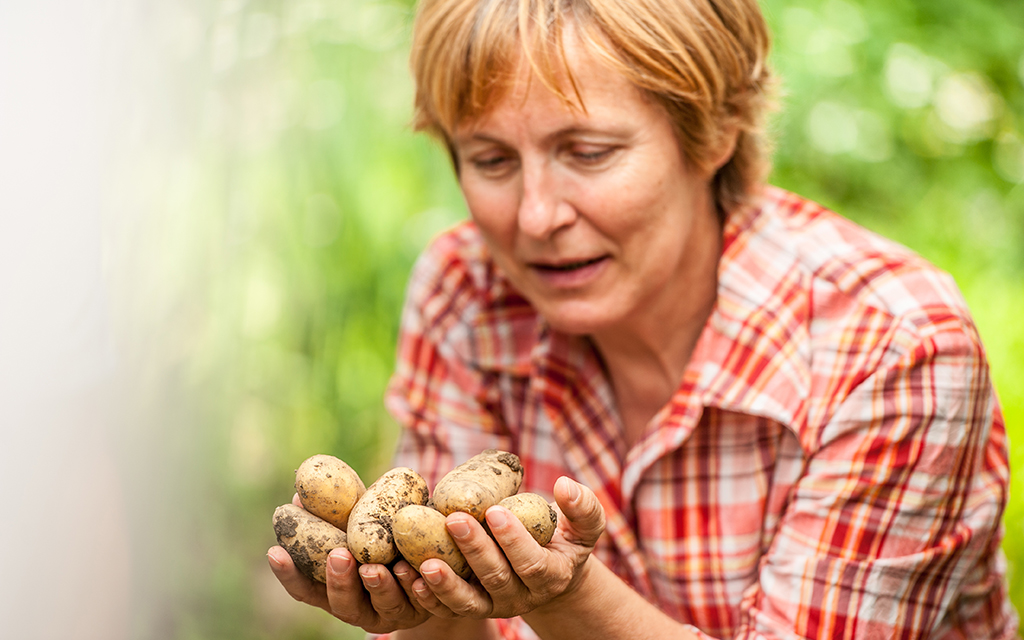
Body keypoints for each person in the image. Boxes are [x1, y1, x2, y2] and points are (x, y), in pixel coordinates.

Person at [267, 0, 1019, 637]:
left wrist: (570, 598)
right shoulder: (465, 292)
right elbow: (455, 610)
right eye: (492, 162)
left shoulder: (896, 350)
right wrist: (425, 608)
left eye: (589, 153)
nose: (535, 217)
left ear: (717, 132)